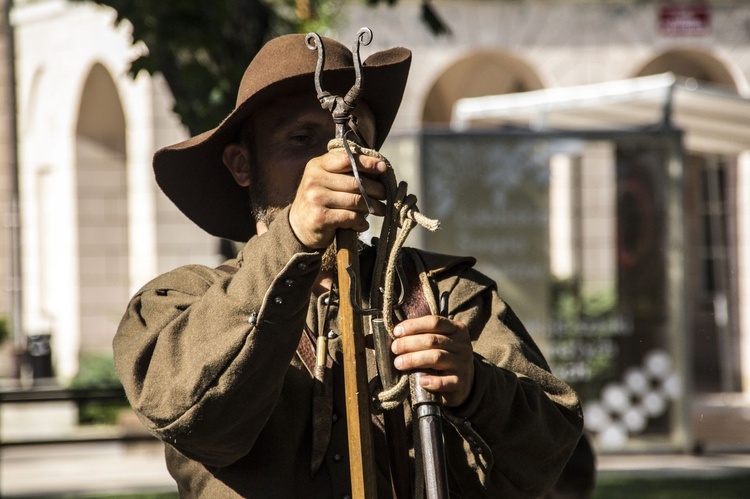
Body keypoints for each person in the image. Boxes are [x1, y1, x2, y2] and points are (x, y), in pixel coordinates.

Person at [113, 33, 583, 498]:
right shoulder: (177, 302)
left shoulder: (446, 294)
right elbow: (190, 416)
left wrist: (477, 386)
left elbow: (551, 453)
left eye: (355, 138)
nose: (337, 158)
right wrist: (294, 237)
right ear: (241, 164)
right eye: (301, 139)